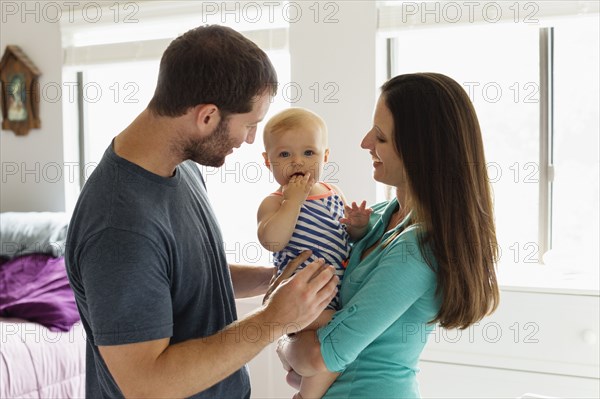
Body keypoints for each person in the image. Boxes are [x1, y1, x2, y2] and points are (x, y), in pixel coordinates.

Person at [65, 25, 339, 399]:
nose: (249, 140)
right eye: (249, 125)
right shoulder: (119, 225)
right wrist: (274, 321)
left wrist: (270, 280)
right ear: (207, 117)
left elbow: (180, 276)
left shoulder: (183, 167)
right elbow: (146, 384)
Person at [275, 73, 500, 398]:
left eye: (380, 138)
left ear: (419, 151)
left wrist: (283, 333)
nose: (365, 143)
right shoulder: (378, 217)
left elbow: (318, 356)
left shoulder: (418, 248)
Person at [257, 108, 371, 399]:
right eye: (284, 155)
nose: (297, 161)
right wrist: (292, 202)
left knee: (331, 351)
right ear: (267, 161)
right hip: (301, 298)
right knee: (341, 336)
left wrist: (357, 227)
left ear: (325, 157)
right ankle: (307, 392)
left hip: (335, 294)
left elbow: (348, 240)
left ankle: (304, 390)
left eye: (309, 152)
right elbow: (272, 241)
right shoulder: (274, 203)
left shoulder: (334, 193)